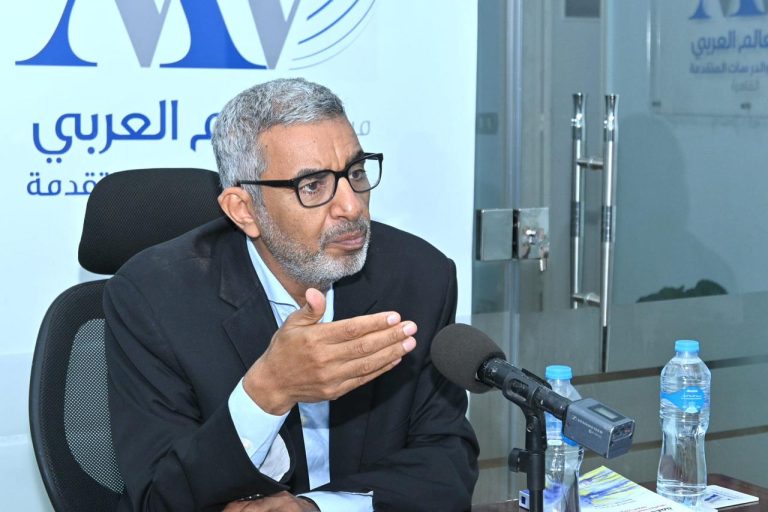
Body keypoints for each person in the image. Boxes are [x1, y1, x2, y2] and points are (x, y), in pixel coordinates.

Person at [104, 78, 479, 512]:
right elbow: (160, 498)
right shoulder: (153, 298)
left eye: (356, 173)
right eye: (313, 185)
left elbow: (447, 464)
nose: (352, 207)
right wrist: (269, 390)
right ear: (244, 210)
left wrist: (316, 508)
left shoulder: (419, 276)